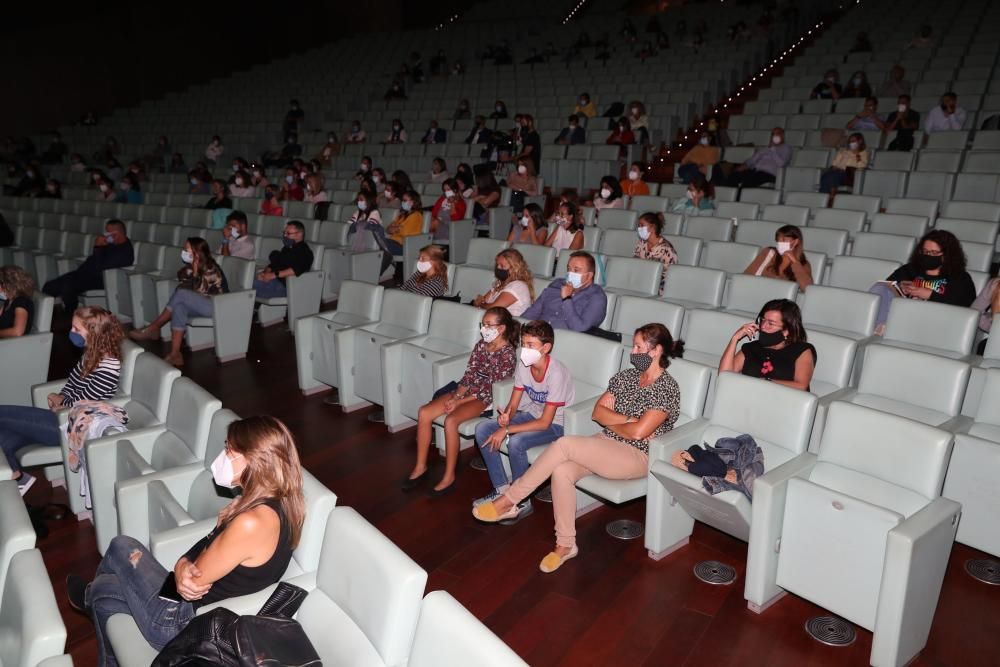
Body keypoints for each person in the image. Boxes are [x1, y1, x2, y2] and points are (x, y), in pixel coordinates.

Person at [67, 415, 305, 666]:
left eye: (228, 449)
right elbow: (201, 553)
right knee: (104, 594)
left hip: (182, 622)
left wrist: (191, 560)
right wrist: (183, 563)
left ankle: (87, 595)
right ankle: (94, 604)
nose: (222, 455)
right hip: (190, 603)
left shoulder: (252, 522)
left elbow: (195, 581)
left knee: (122, 545)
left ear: (254, 459)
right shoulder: (280, 504)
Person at [473, 323, 683, 572]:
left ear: (656, 350)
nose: (632, 351)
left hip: (638, 455)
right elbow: (598, 412)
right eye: (633, 345)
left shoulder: (667, 388)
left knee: (564, 444)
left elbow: (640, 434)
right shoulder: (625, 377)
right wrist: (628, 421)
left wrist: (621, 422)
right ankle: (565, 545)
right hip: (606, 443)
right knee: (562, 471)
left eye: (638, 347)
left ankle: (510, 500)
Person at [0, 306, 122, 495]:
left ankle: (18, 480)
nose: (71, 333)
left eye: (76, 329)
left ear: (93, 333)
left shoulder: (108, 367)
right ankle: (18, 478)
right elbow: (72, 384)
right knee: (4, 437)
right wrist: (62, 396)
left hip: (71, 428)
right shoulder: (91, 354)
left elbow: (84, 402)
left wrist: (62, 402)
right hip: (62, 418)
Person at [403, 307, 518, 495]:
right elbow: (469, 375)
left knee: (451, 421)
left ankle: (449, 475)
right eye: (483, 324)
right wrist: (456, 396)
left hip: (485, 398)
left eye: (489, 325)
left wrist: (459, 403)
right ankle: (420, 466)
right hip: (468, 392)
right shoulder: (481, 345)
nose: (484, 328)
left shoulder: (507, 354)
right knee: (424, 412)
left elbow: (489, 388)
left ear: (502, 328)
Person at [474, 320, 575, 519]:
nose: (524, 349)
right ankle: (502, 491)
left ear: (546, 348)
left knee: (517, 442)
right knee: (482, 428)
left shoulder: (557, 373)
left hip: (557, 425)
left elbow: (545, 423)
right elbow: (514, 401)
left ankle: (521, 501)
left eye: (530, 345)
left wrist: (507, 430)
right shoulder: (524, 365)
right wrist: (506, 417)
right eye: (523, 343)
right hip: (531, 415)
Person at [128, 238, 228, 367]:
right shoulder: (187, 269)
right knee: (179, 307)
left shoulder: (211, 269)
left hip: (216, 305)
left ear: (196, 253)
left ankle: (154, 326)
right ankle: (175, 354)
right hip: (200, 305)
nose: (183, 252)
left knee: (181, 296)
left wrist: (197, 273)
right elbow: (181, 289)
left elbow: (198, 291)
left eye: (186, 250)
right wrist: (193, 272)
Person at [869, 230, 976, 334]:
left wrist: (928, 294)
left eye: (934, 253)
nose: (928, 255)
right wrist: (899, 288)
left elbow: (963, 305)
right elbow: (888, 285)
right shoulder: (911, 269)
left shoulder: (960, 278)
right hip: (903, 315)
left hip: (936, 323)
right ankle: (879, 329)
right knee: (880, 288)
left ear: (947, 255)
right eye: (925, 251)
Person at [719, 299, 816, 391]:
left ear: (786, 331)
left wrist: (765, 382)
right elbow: (724, 376)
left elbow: (801, 386)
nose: (763, 326)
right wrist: (735, 339)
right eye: (763, 320)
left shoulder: (801, 350)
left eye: (770, 323)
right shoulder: (751, 348)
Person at [43, 220, 134, 313]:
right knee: (50, 286)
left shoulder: (125, 251)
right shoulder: (111, 244)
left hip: (102, 280)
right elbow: (92, 260)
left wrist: (98, 247)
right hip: (87, 274)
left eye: (108, 233)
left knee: (68, 286)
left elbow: (100, 268)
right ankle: (44, 315)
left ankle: (70, 314)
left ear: (117, 234)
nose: (105, 236)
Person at [522, 251, 607, 331]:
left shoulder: (597, 297)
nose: (570, 273)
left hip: (566, 341)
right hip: (536, 335)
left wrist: (567, 299)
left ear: (589, 276)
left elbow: (580, 328)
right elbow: (531, 313)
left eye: (576, 270)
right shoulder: (557, 284)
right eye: (568, 268)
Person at [253, 221, 314, 300]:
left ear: (299, 234)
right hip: (274, 282)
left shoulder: (305, 252)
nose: (285, 236)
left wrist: (273, 275)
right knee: (248, 282)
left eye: (288, 233)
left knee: (249, 287)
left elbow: (296, 269)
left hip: (286, 286)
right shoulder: (287, 248)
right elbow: (275, 264)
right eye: (284, 233)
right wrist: (266, 272)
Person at [744, 224, 814, 291]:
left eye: (784, 240)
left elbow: (807, 289)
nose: (780, 243)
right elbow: (748, 275)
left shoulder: (803, 264)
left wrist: (795, 262)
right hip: (759, 290)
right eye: (778, 240)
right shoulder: (769, 252)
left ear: (795, 241)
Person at [720, 128, 792, 189]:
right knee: (734, 175)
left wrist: (773, 149)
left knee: (749, 181)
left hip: (769, 175)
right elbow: (752, 160)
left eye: (777, 133)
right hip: (755, 171)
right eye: (773, 134)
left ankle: (740, 200)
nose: (774, 136)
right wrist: (746, 165)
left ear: (782, 135)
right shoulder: (765, 148)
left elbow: (781, 164)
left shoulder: (786, 148)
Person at [472, 249, 535, 316]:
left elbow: (494, 309)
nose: (498, 267)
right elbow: (483, 301)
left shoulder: (518, 286)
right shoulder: (500, 283)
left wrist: (480, 304)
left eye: (502, 266)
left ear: (515, 268)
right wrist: (480, 303)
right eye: (497, 265)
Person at [634, 213, 678, 297]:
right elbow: (635, 263)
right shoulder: (642, 243)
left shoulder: (666, 249)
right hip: (640, 283)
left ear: (652, 227)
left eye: (642, 225)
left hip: (659, 289)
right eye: (638, 226)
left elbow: (668, 276)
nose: (639, 229)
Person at [384, 190, 424, 256]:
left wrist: (395, 228)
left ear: (413, 202)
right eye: (402, 200)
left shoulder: (416, 215)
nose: (402, 202)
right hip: (394, 242)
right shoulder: (402, 215)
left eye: (405, 200)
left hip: (404, 246)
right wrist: (397, 228)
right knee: (379, 242)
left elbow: (405, 232)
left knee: (382, 244)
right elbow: (388, 229)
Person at [0, 266, 35, 337]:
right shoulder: (9, 300)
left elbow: (17, 332)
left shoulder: (21, 301)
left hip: (13, 344)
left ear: (7, 285)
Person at [971, 277, 999, 354]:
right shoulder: (996, 284)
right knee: (983, 346)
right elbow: (975, 312)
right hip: (996, 339)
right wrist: (993, 327)